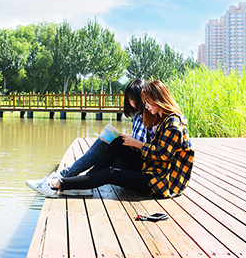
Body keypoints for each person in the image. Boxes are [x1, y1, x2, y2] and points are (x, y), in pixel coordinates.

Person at [33, 80, 194, 199]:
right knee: (117, 143)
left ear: (160, 100)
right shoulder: (166, 119)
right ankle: (82, 182)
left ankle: (58, 184)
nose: (146, 107)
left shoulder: (173, 123)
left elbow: (163, 154)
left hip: (163, 182)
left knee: (110, 174)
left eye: (149, 103)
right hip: (154, 170)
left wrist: (137, 144)